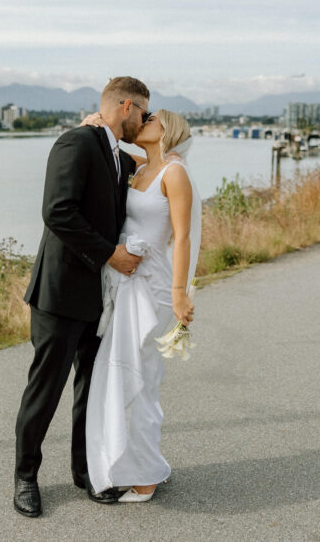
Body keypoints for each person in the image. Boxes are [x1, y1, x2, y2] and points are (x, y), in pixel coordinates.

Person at [13, 76, 152, 518]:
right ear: (126, 106)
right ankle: (25, 477)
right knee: (46, 389)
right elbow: (57, 210)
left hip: (100, 299)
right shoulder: (76, 143)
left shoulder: (117, 154)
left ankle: (86, 472)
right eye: (144, 113)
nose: (146, 121)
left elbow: (156, 164)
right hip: (60, 293)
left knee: (90, 391)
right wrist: (110, 253)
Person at [85, 109, 201, 503]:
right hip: (126, 282)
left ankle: (146, 477)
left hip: (152, 287)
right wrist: (97, 126)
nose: (142, 123)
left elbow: (182, 238)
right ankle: (142, 464)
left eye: (150, 119)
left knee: (142, 379)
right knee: (126, 375)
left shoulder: (174, 173)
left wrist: (180, 292)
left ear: (165, 130)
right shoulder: (142, 169)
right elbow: (112, 151)